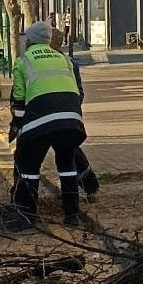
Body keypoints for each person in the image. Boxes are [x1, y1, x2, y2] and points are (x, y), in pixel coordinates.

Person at [6, 19, 86, 232]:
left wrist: (17, 125)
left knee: (29, 167)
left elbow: (19, 101)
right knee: (67, 166)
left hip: (39, 121)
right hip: (71, 120)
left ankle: (28, 214)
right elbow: (76, 92)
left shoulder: (23, 61)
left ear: (30, 40)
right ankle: (72, 215)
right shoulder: (65, 59)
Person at [48, 25, 99, 203]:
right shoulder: (70, 63)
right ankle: (87, 184)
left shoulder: (57, 63)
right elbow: (79, 91)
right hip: (69, 113)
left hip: (56, 114)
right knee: (69, 149)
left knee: (67, 152)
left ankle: (86, 185)